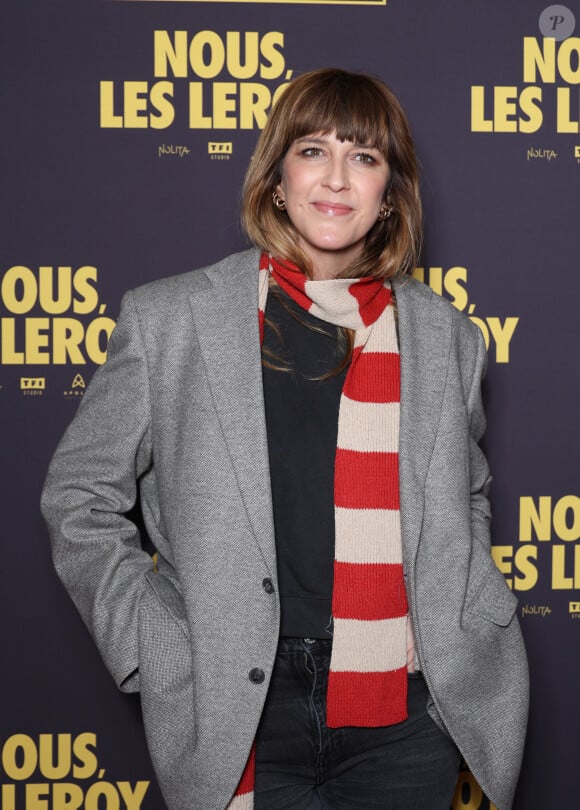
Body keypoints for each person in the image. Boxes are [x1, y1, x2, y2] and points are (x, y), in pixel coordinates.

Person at [41, 68, 528, 810]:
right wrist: (156, 644)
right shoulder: (171, 320)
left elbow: (465, 491)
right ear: (276, 177)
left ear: (391, 193)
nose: (336, 178)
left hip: (405, 713)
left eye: (364, 158)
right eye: (312, 150)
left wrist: (461, 603)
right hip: (242, 710)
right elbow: (78, 496)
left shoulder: (447, 338)